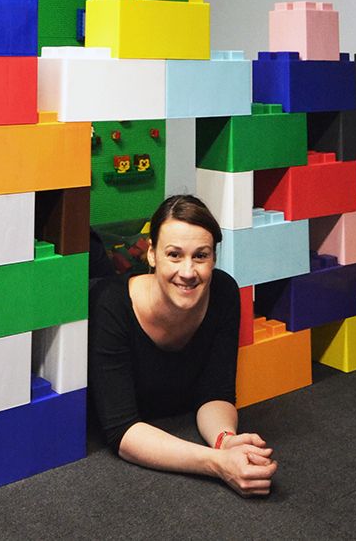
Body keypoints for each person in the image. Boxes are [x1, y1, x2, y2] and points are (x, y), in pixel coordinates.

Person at [88, 194, 278, 497]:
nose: (188, 272)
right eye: (174, 255)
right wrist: (217, 463)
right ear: (151, 255)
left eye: (200, 256)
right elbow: (121, 430)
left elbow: (215, 393)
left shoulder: (224, 292)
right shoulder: (111, 305)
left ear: (214, 258)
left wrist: (225, 440)